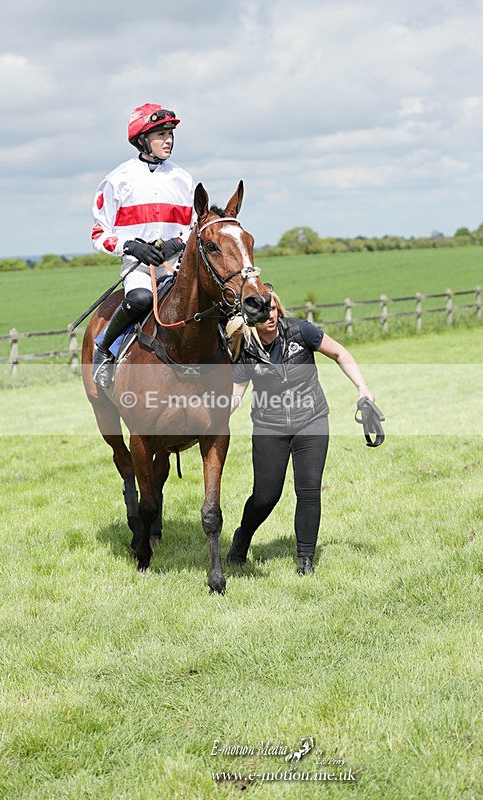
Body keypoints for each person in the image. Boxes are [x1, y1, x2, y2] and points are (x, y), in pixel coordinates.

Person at [226, 285, 377, 575]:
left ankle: (305, 560)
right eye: (263, 309)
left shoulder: (299, 331)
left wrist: (362, 387)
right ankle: (242, 536)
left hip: (312, 420)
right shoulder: (246, 347)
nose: (270, 314)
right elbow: (235, 394)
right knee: (265, 496)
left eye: (273, 307)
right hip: (270, 426)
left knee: (308, 491)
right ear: (250, 314)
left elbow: (340, 353)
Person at [91, 103, 195, 388]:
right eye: (161, 134)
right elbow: (99, 234)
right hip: (138, 267)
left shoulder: (184, 179)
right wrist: (131, 246)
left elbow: (195, 228)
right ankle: (104, 349)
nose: (169, 140)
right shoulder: (116, 180)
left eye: (171, 133)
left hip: (177, 264)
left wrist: (177, 243)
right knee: (140, 300)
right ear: (141, 140)